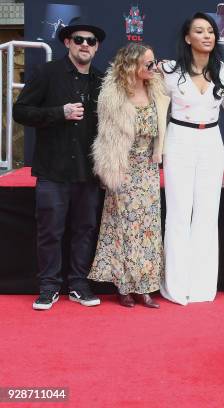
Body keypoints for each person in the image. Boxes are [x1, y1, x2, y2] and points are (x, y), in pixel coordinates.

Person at [13, 19, 105, 310]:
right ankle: (49, 286)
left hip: (88, 174)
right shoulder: (47, 73)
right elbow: (21, 111)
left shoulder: (101, 81)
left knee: (84, 230)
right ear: (67, 42)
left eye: (91, 41)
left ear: (97, 46)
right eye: (79, 39)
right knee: (50, 231)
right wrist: (58, 112)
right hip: (53, 170)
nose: (85, 45)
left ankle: (78, 284)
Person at [159, 12, 224, 305]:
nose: (207, 36)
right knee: (178, 213)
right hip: (178, 141)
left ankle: (202, 286)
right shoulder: (168, 69)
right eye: (199, 31)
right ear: (188, 38)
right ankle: (175, 286)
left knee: (207, 215)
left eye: (211, 31)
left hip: (211, 142)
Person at [88, 43, 168, 308]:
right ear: (132, 64)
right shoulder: (112, 93)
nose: (153, 67)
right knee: (123, 228)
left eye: (154, 62)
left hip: (148, 168)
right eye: (148, 63)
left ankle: (144, 288)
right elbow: (106, 137)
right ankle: (123, 286)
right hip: (122, 168)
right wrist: (110, 171)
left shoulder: (156, 88)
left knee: (147, 229)